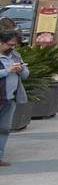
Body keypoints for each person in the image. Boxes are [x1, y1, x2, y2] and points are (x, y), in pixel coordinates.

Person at [0, 31, 28, 167]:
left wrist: (21, 69)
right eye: (9, 45)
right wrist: (8, 70)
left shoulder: (16, 56)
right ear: (1, 42)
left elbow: (25, 76)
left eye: (14, 45)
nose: (12, 48)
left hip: (9, 99)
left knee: (4, 128)